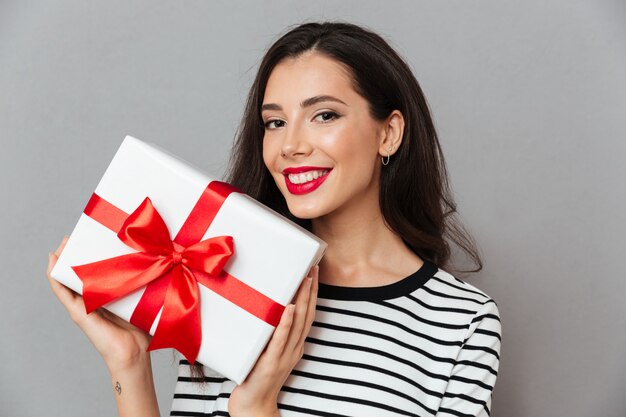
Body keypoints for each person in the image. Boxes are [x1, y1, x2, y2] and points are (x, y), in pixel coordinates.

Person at [47, 21, 501, 417]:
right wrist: (128, 364)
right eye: (275, 122)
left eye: (324, 115)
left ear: (389, 132)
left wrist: (257, 408)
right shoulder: (222, 276)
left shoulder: (462, 323)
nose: (291, 146)